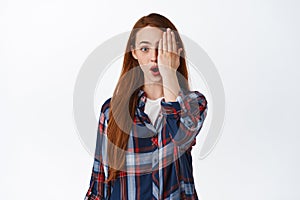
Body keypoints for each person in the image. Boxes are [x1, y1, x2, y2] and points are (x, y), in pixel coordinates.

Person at [85, 13, 208, 200]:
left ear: (176, 52)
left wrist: (169, 73)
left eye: (162, 49)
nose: (154, 57)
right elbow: (98, 187)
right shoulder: (112, 111)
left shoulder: (194, 104)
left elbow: (181, 138)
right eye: (145, 49)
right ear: (134, 53)